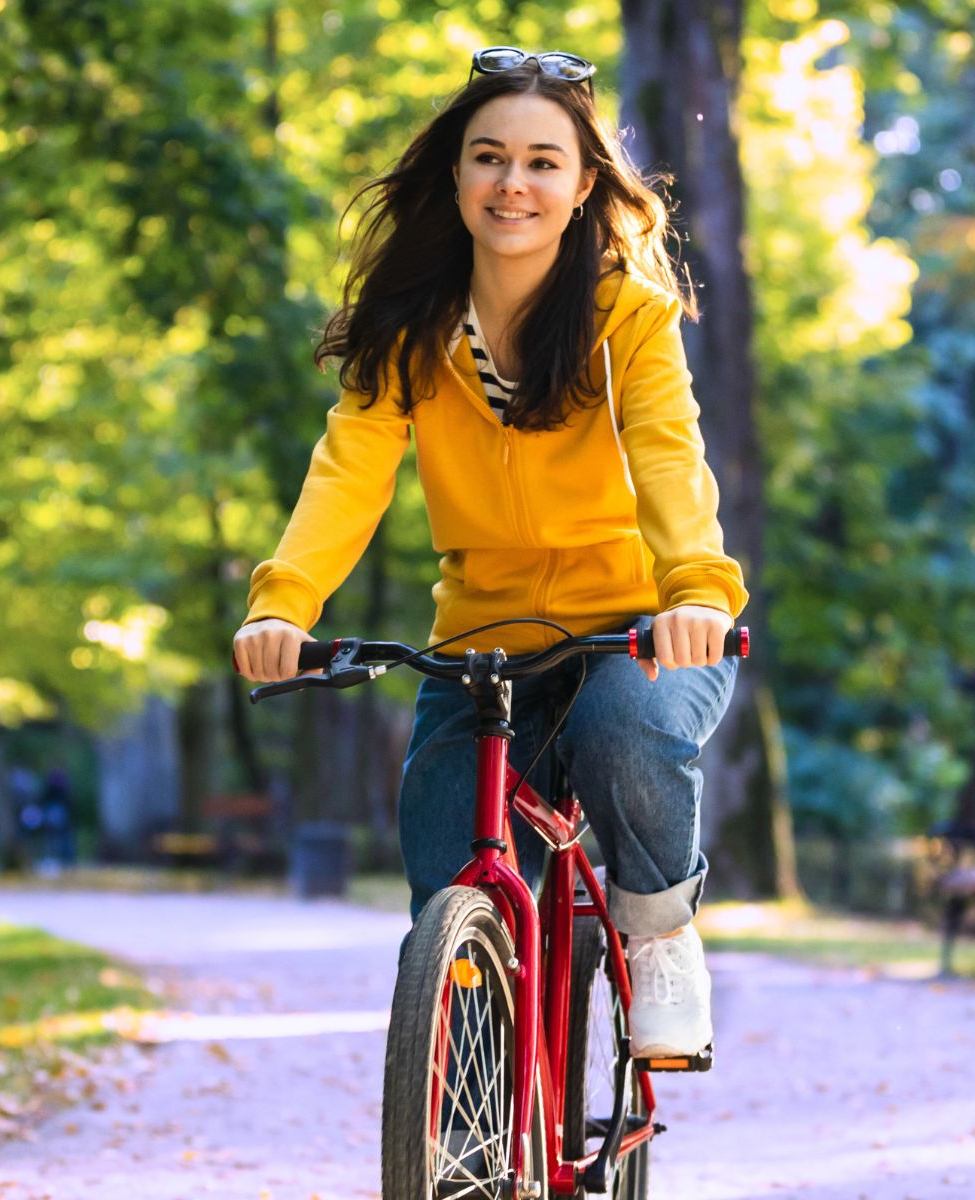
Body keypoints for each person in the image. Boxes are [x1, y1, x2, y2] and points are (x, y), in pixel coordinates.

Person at [231, 46, 743, 1062]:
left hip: (642, 631)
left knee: (621, 732)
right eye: (489, 157)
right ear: (456, 176)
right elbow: (348, 473)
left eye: (544, 162)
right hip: (483, 637)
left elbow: (669, 458)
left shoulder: (627, 319)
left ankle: (657, 932)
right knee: (447, 859)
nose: (515, 183)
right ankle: (465, 1108)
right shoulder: (409, 333)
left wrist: (691, 589)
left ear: (585, 182)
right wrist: (282, 603)